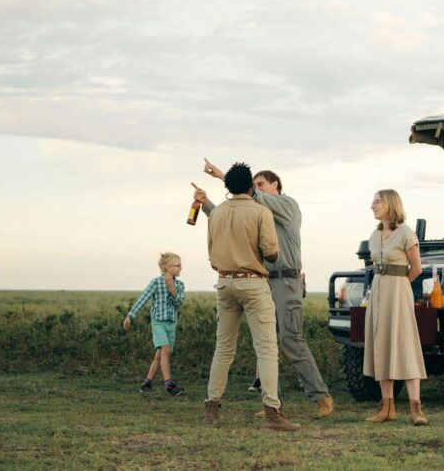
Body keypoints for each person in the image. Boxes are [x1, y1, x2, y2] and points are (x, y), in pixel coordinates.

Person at [195, 159, 334, 419]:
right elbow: (230, 218)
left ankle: (321, 396)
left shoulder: (287, 205)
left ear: (276, 186)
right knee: (266, 343)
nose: (256, 189)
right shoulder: (257, 210)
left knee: (289, 340)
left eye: (261, 184)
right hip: (263, 280)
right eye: (254, 184)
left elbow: (247, 198)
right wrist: (207, 205)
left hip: (286, 281)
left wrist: (224, 177)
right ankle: (272, 403)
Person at [201, 162, 301, 431]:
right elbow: (271, 253)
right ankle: (272, 411)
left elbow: (211, 255)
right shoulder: (260, 212)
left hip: (224, 282)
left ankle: (212, 408)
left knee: (223, 348)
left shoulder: (217, 213)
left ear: (227, 187)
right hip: (253, 283)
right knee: (267, 349)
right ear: (249, 186)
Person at [363, 189, 428, 426]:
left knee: (405, 344)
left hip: (398, 291)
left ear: (390, 204)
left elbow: (417, 268)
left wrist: (400, 286)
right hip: (378, 292)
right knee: (381, 344)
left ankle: (416, 407)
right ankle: (387, 407)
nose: (372, 205)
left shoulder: (406, 233)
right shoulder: (374, 235)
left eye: (377, 201)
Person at [123, 252, 186, 396]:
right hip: (158, 323)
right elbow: (143, 299)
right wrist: (130, 316)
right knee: (165, 350)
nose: (181, 268)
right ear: (167, 267)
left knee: (161, 355)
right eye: (178, 265)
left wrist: (172, 290)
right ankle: (169, 384)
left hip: (171, 324)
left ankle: (147, 383)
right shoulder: (156, 282)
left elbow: (178, 304)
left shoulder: (180, 285)